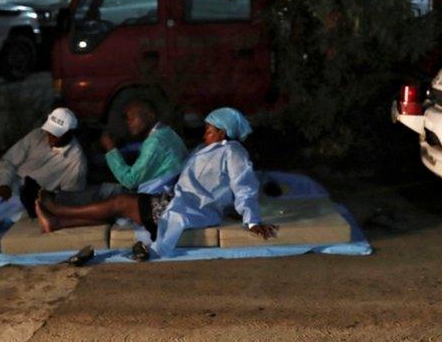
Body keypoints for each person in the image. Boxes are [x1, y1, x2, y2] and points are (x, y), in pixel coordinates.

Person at [35, 107, 277, 260]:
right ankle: (57, 221)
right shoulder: (205, 149)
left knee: (120, 201)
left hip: (186, 207)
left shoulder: (233, 152)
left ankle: (59, 210)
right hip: (174, 200)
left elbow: (243, 185)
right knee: (118, 205)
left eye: (210, 130)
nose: (205, 134)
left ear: (223, 133)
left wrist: (251, 220)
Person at [99, 100, 187, 191]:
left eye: (133, 116)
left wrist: (110, 147)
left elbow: (130, 181)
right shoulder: (166, 132)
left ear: (150, 115)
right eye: (128, 118)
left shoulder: (155, 142)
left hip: (160, 195)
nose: (129, 122)